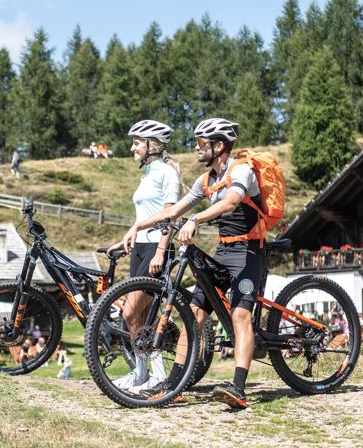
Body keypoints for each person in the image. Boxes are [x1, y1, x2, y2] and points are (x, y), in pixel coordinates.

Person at [122, 118, 265, 409]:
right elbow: (175, 209)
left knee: (240, 316)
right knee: (195, 314)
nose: (197, 148)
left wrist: (196, 219)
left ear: (219, 145)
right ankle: (173, 386)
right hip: (224, 250)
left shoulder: (242, 170)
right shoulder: (206, 180)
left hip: (250, 252)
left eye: (202, 143)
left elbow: (230, 203)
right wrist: (138, 227)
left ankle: (238, 388)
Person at [107, 119, 181, 393]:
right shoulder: (148, 173)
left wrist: (161, 251)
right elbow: (144, 216)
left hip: (156, 249)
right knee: (144, 315)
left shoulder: (167, 174)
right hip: (140, 247)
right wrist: (127, 238)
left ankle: (155, 376)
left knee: (130, 311)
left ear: (152, 145)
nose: (132, 148)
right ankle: (144, 375)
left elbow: (171, 217)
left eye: (136, 143)